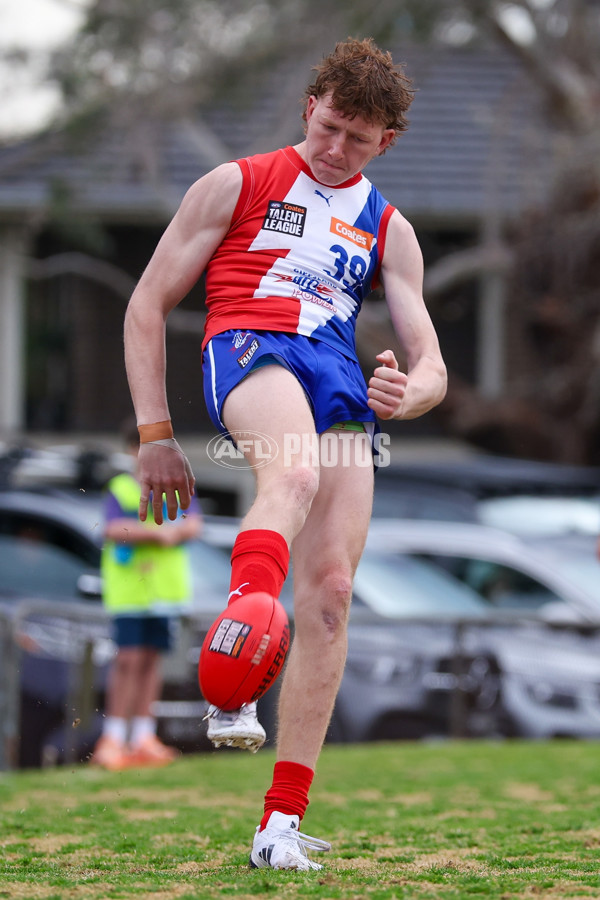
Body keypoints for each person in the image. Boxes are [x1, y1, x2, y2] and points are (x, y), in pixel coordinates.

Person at [123, 37, 447, 867]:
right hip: (250, 341)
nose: (335, 149)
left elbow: (433, 366)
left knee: (332, 595)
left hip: (335, 371)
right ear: (310, 107)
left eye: (358, 140)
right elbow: (146, 305)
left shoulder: (390, 229)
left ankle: (280, 825)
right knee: (293, 473)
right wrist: (155, 434)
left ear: (386, 143)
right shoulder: (236, 183)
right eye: (328, 127)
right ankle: (237, 663)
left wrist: (409, 393)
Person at [90, 418, 202, 771]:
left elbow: (194, 522)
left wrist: (175, 532)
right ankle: (112, 737)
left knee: (152, 660)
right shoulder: (121, 488)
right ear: (130, 450)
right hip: (130, 592)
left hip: (163, 593)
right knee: (128, 660)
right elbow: (111, 527)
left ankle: (142, 736)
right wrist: (155, 534)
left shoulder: (176, 484)